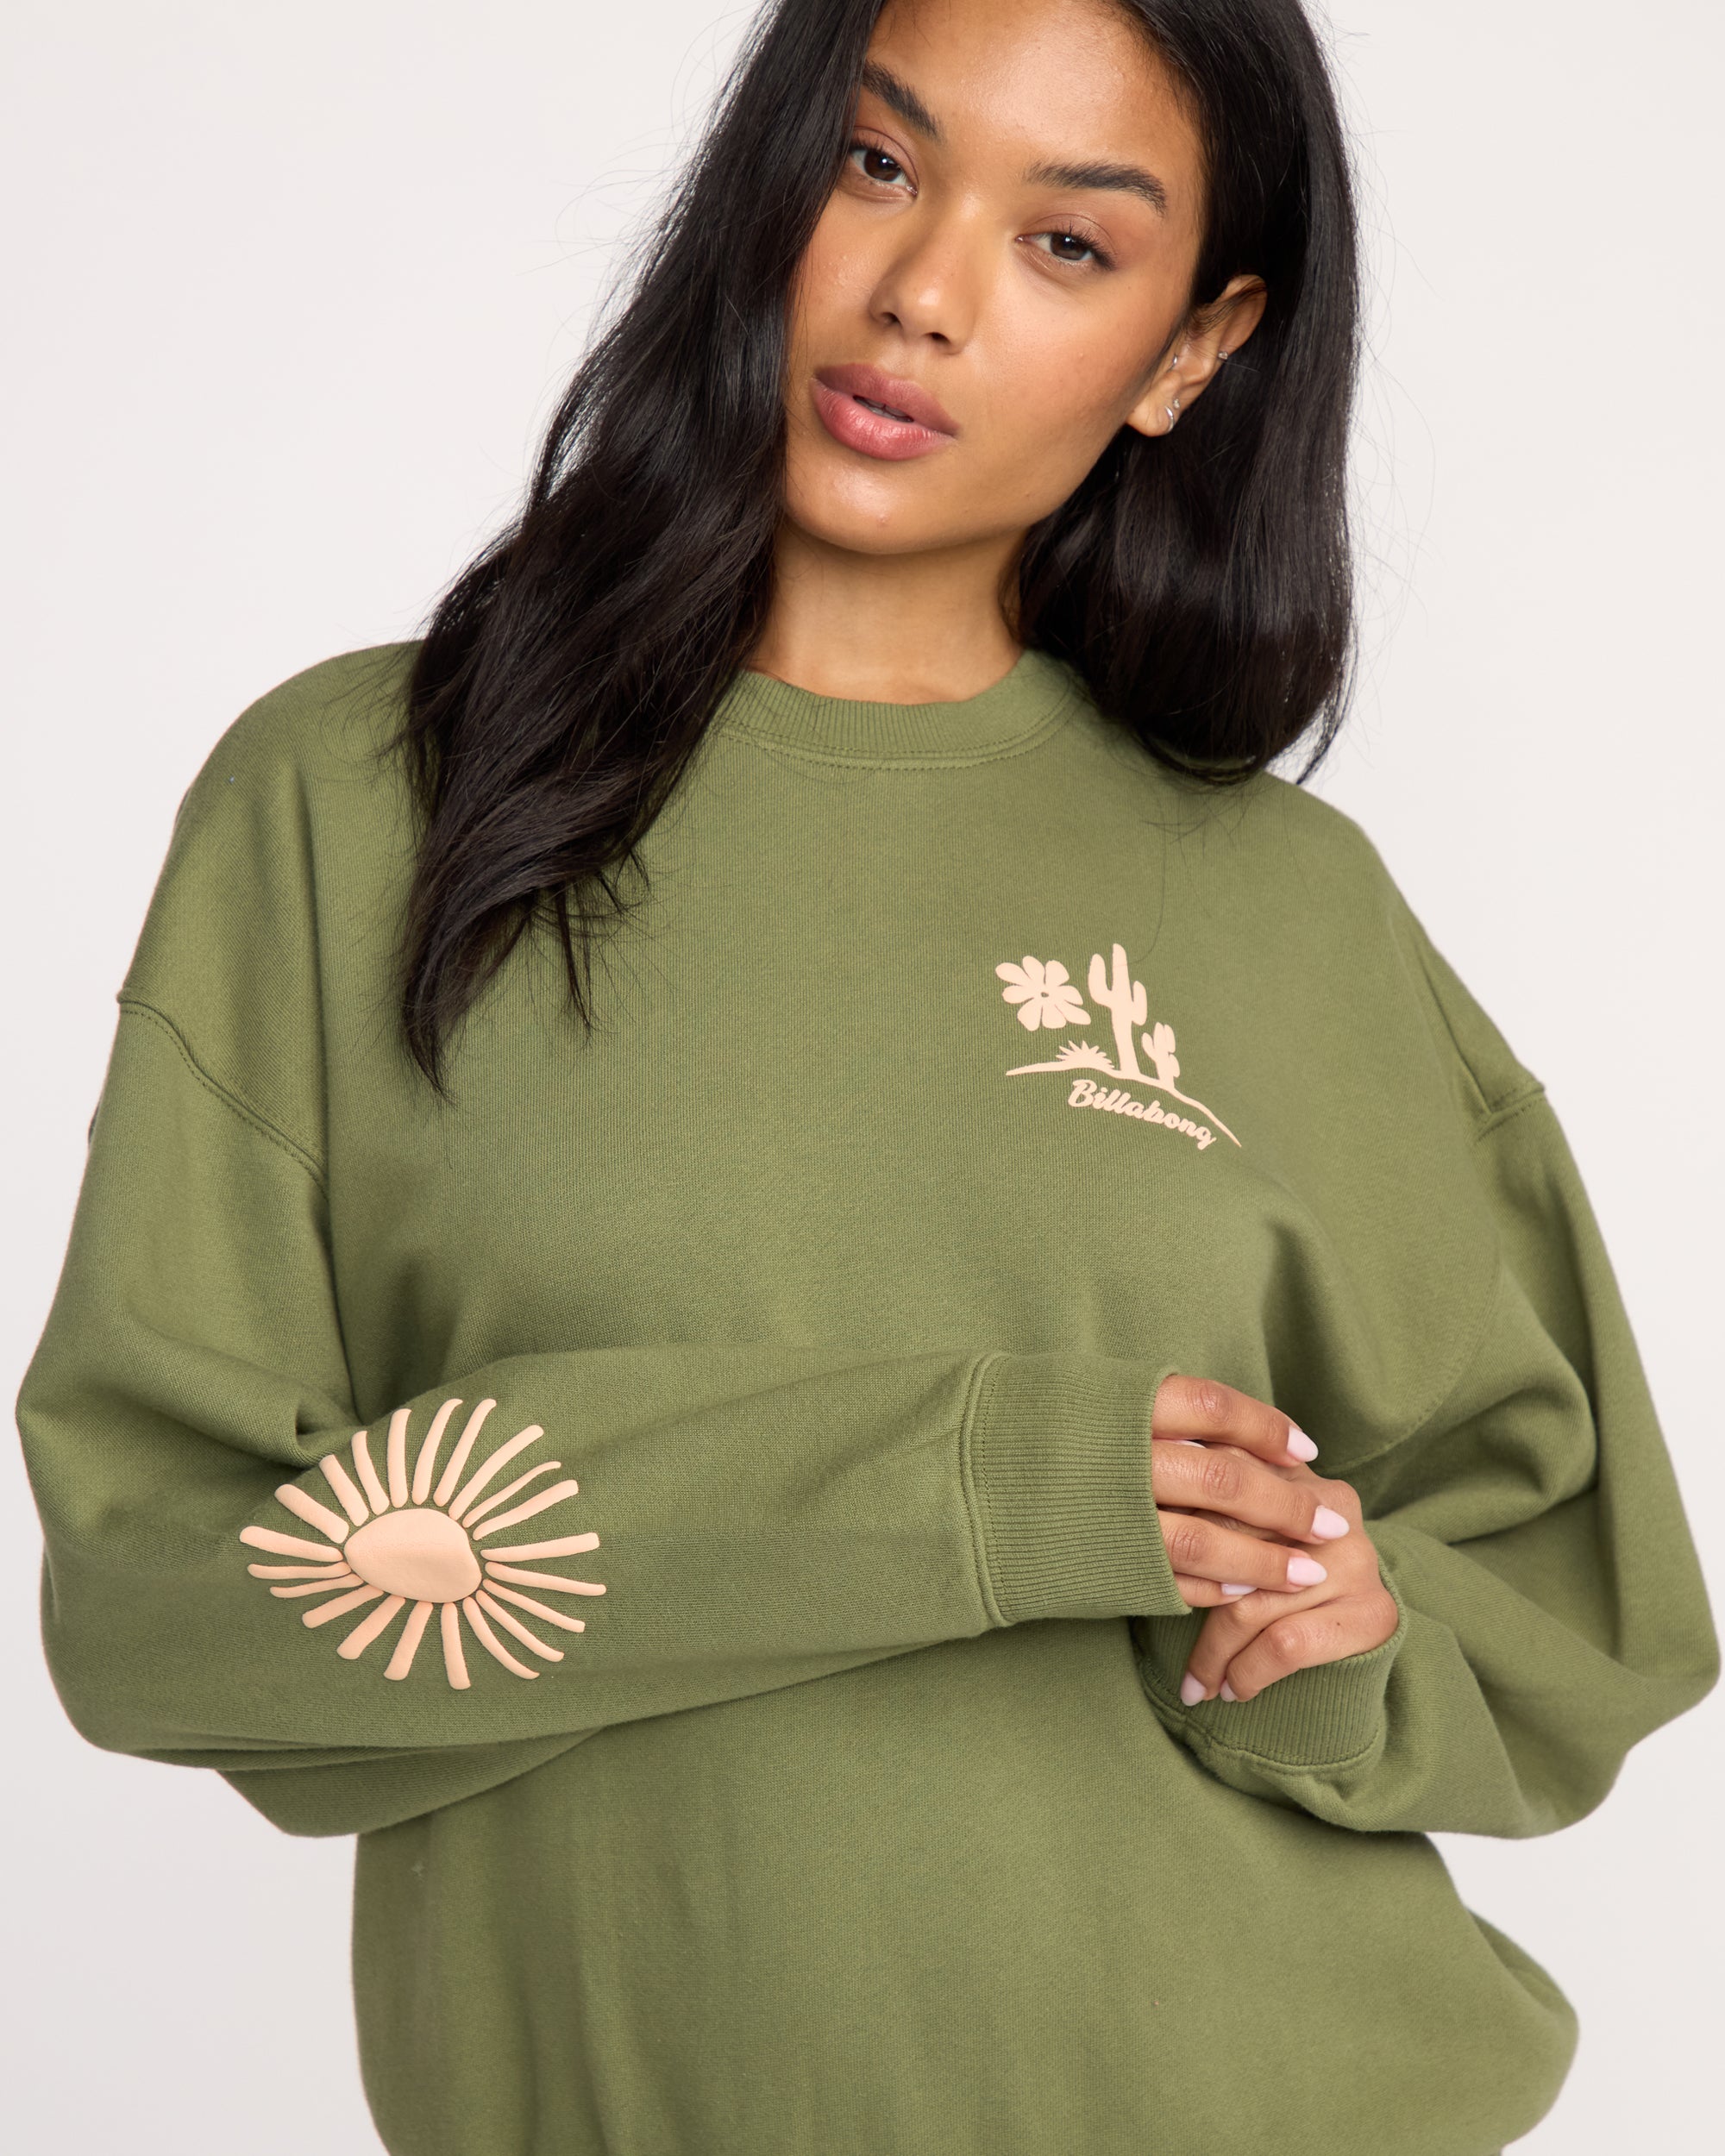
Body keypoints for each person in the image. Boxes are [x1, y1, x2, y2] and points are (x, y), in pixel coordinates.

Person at [17, 0, 1717, 2150]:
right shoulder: (359, 805)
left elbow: (1570, 1603)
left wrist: (1334, 1641)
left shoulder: (1290, 906)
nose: (921, 293)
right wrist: (973, 1490)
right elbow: (169, 1602)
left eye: (1069, 243)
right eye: (876, 162)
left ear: (1193, 350)